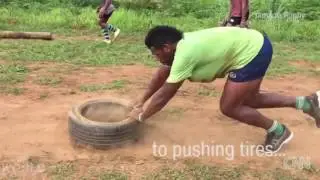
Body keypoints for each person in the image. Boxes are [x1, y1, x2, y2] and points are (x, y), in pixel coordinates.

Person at [128, 25, 320, 153]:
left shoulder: (185, 53)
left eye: (154, 52)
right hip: (252, 42)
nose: (154, 56)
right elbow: (161, 75)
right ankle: (306, 103)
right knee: (249, 99)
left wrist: (140, 119)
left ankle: (278, 131)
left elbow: (165, 94)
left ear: (167, 47)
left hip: (252, 50)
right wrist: (140, 101)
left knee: (230, 106)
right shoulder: (179, 49)